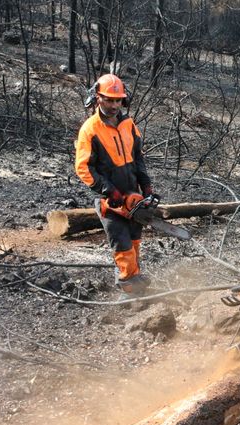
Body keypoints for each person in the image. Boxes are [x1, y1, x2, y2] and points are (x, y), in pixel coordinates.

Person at [75, 73, 154, 294]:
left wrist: (146, 185)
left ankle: (136, 283)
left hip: (133, 195)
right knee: (122, 245)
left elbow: (138, 158)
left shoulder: (129, 125)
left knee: (135, 241)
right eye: (108, 99)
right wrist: (107, 189)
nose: (113, 105)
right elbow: (83, 167)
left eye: (117, 100)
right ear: (97, 98)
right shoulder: (90, 129)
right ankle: (128, 289)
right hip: (109, 200)